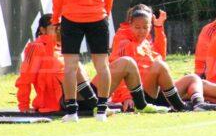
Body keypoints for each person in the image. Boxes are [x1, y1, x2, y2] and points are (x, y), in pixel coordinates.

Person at [110, 6, 216, 111]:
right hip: (146, 93)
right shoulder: (124, 40)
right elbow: (125, 71)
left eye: (146, 27)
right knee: (198, 84)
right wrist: (126, 97)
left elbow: (159, 57)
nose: (143, 30)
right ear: (130, 24)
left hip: (159, 88)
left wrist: (159, 29)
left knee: (196, 83)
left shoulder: (143, 40)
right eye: (139, 26)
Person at [16, 14, 167, 115]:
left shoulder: (62, 47)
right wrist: (23, 106)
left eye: (62, 27)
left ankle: (141, 105)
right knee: (74, 65)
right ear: (42, 30)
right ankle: (97, 105)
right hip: (63, 101)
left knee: (127, 63)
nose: (60, 31)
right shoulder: (36, 47)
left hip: (84, 93)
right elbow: (25, 79)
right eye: (55, 28)